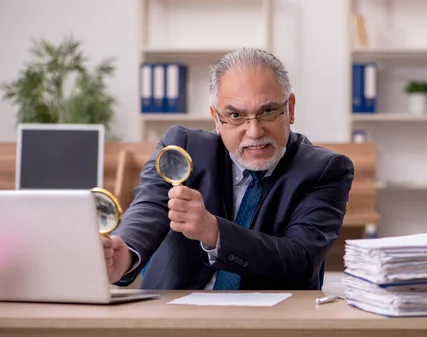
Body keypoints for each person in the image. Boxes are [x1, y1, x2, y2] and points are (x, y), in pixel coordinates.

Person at [102, 47, 355, 290]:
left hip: (270, 322)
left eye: (267, 111)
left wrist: (214, 231)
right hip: (174, 316)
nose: (254, 132)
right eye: (235, 116)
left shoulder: (326, 170)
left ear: (290, 109)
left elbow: (301, 260)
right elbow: (152, 205)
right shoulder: (183, 146)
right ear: (216, 118)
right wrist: (125, 253)